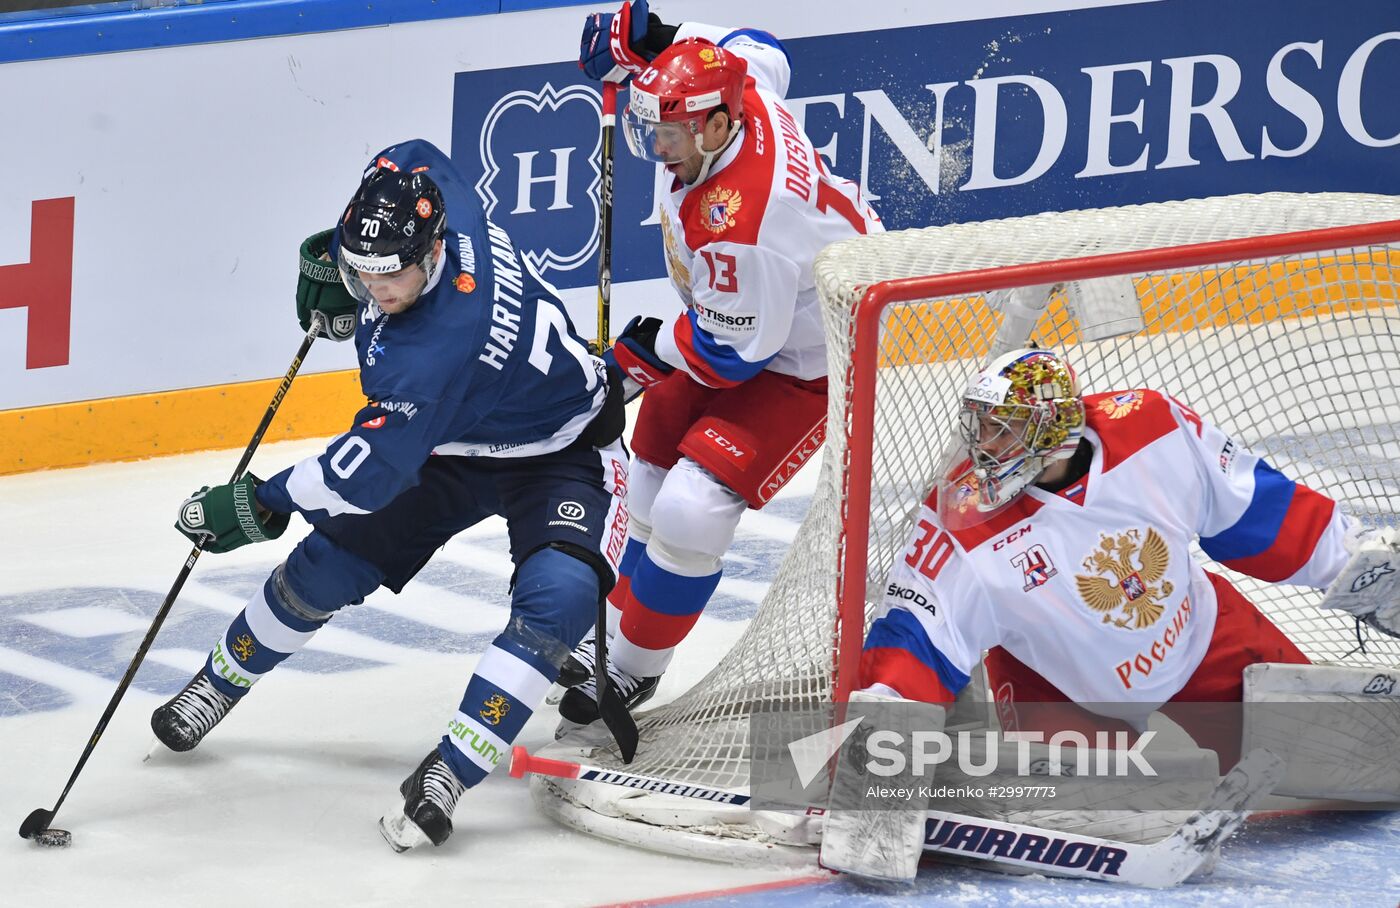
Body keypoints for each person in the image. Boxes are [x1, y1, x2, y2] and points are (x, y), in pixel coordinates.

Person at [151, 139, 630, 852]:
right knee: (327, 568)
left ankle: (451, 771)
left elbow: (359, 476)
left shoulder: (433, 351)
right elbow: (405, 154)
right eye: (362, 271)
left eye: (391, 275)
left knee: (555, 602)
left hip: (561, 450)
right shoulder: (432, 192)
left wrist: (263, 500)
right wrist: (338, 258)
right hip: (452, 442)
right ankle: (218, 683)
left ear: (434, 250)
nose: (377, 289)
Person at [559, 0, 883, 730]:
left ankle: (633, 670)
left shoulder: (747, 221)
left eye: (669, 133)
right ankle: (613, 624)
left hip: (818, 353)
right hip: (757, 318)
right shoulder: (739, 89)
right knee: (648, 456)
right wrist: (659, 37)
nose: (657, 146)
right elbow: (759, 45)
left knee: (691, 507)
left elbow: (732, 356)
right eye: (652, 127)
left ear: (713, 123)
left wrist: (641, 355)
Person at [855, 347, 1399, 767]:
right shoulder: (958, 519)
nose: (984, 445)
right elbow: (919, 632)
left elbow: (1256, 509)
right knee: (1080, 815)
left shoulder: (1151, 428)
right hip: (1061, 688)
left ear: (1053, 429)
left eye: (1005, 428)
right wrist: (883, 727)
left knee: (1345, 758)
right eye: (982, 425)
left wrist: (1350, 560)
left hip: (1201, 640)